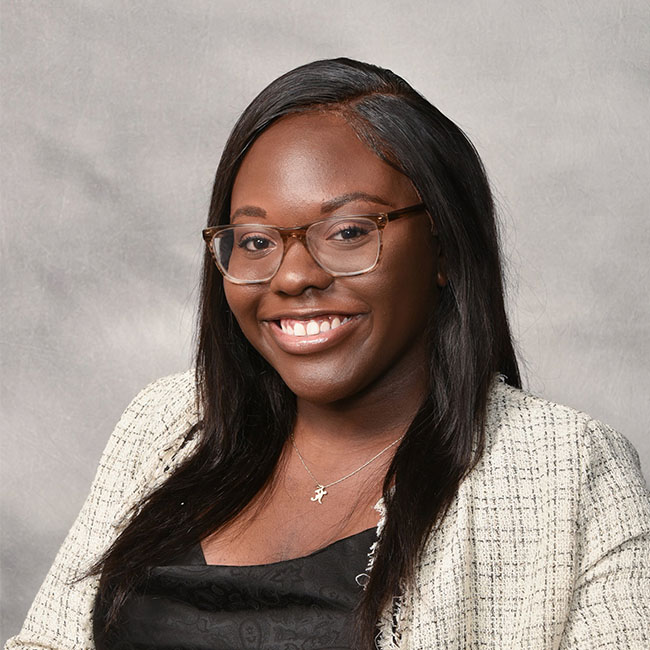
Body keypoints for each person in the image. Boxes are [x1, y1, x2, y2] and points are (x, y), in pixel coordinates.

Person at [6, 58, 650, 650]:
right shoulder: (164, 424)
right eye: (255, 241)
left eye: (347, 232)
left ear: (446, 248)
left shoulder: (569, 470)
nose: (292, 277)